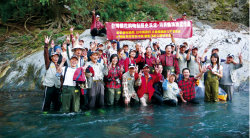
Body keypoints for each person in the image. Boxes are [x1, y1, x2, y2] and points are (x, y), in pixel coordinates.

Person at [42, 36, 61, 112]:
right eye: (54, 57)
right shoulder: (48, 64)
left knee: (57, 104)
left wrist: (61, 87)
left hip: (57, 87)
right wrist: (46, 45)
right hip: (49, 86)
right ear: (51, 58)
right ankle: (45, 114)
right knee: (47, 102)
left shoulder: (60, 66)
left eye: (57, 57)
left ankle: (56, 116)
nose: (56, 58)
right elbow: (46, 55)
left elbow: (61, 77)